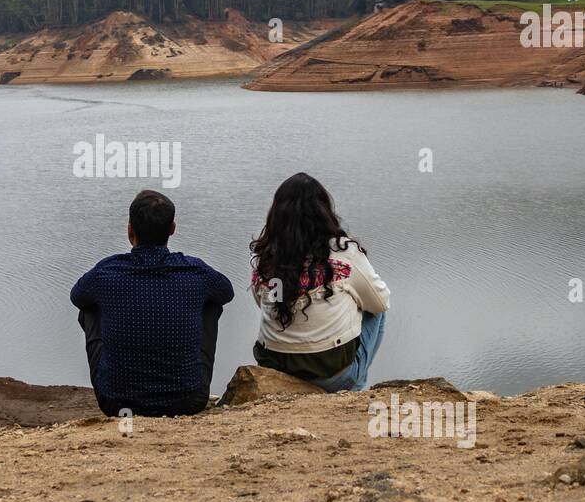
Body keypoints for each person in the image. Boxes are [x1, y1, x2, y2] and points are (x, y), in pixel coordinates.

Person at [71, 190, 234, 417]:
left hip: (116, 403)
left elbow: (76, 296)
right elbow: (227, 292)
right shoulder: (196, 271)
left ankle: (120, 375)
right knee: (211, 303)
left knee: (89, 306)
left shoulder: (107, 272)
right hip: (188, 400)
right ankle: (184, 373)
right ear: (172, 229)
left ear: (130, 229)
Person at [249, 173, 390, 392]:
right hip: (331, 375)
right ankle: (353, 391)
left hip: (274, 365)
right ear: (323, 211)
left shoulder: (268, 254)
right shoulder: (343, 252)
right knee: (375, 310)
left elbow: (264, 303)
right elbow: (381, 302)